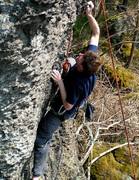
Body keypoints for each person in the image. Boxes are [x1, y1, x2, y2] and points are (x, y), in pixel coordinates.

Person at [32, 1, 101, 179]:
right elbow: (95, 33)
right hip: (70, 85)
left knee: (42, 137)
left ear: (81, 69)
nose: (80, 55)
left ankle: (37, 175)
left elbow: (69, 105)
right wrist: (89, 14)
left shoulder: (80, 82)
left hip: (62, 110)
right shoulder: (89, 62)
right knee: (69, 59)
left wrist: (61, 82)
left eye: (81, 58)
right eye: (83, 54)